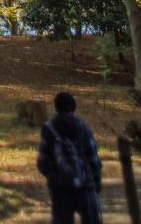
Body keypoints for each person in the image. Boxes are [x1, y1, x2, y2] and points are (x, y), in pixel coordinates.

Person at [37, 91, 102, 224]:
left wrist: (52, 176)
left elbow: (42, 162)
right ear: (74, 106)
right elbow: (94, 160)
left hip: (60, 189)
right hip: (85, 186)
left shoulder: (49, 128)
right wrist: (96, 182)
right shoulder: (84, 127)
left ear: (56, 107)